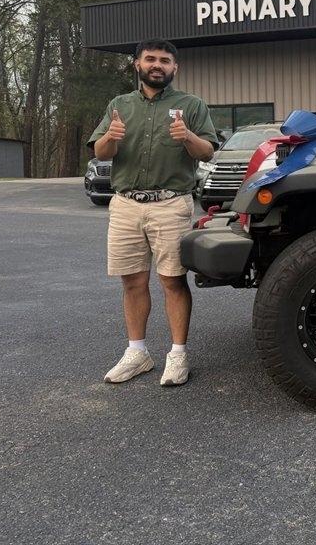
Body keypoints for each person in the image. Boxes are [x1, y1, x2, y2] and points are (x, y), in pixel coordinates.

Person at [88, 39, 217, 387]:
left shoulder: (191, 105)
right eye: (150, 59)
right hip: (126, 204)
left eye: (164, 60)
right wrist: (110, 137)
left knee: (172, 280)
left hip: (170, 203)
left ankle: (178, 355)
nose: (157, 65)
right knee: (132, 280)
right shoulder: (119, 105)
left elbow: (207, 152)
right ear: (137, 64)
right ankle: (137, 353)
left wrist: (187, 136)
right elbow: (101, 151)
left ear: (175, 68)